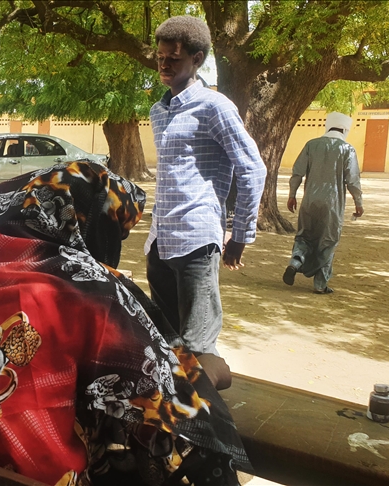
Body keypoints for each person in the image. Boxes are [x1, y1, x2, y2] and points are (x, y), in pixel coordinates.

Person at [0, 161, 250, 486]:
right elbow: (161, 391)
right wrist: (208, 371)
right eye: (115, 231)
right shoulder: (86, 288)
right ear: (93, 225)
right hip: (38, 470)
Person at [146, 16, 266, 355]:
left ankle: (207, 409)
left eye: (174, 58)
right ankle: (176, 408)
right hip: (161, 243)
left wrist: (240, 235)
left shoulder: (215, 107)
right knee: (165, 345)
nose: (164, 64)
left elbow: (253, 169)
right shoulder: (159, 111)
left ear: (197, 60)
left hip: (196, 243)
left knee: (197, 347)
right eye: (160, 57)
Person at [283, 112, 363, 294]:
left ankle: (295, 263)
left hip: (309, 201)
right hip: (332, 203)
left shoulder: (311, 145)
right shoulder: (347, 149)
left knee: (304, 236)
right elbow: (353, 181)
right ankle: (320, 284)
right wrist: (359, 203)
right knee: (328, 240)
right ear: (344, 129)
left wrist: (292, 195)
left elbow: (297, 173)